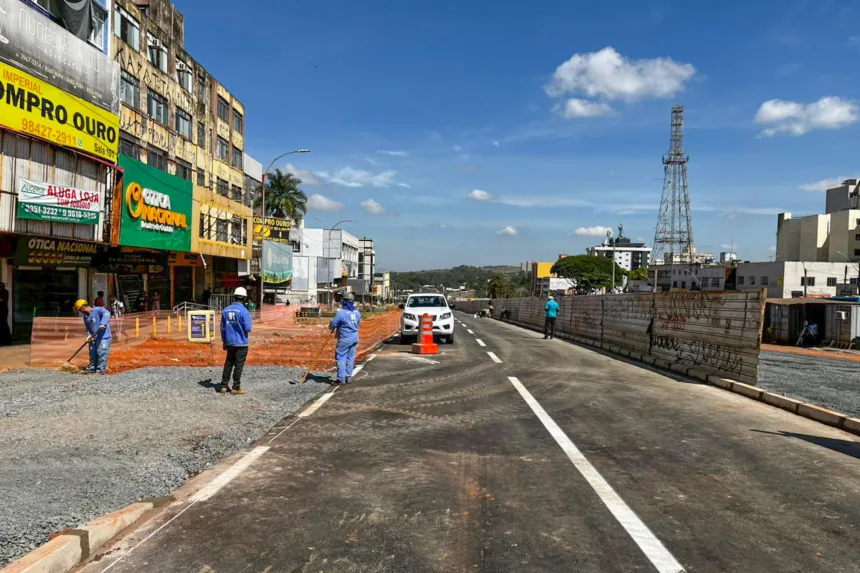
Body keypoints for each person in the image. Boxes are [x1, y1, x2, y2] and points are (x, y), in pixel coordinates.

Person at [220, 286, 253, 395]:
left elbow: (222, 328)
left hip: (229, 341)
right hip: (241, 343)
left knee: (228, 363)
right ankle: (235, 387)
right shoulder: (244, 311)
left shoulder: (226, 310)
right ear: (244, 298)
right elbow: (248, 328)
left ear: (234, 297)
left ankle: (224, 386)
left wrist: (224, 341)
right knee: (238, 365)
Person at [329, 292, 361, 385]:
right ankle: (348, 377)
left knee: (341, 357)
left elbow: (332, 325)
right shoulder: (357, 313)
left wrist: (331, 325)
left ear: (344, 301)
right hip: (354, 338)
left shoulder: (341, 313)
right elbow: (357, 324)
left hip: (344, 339)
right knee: (350, 358)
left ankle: (341, 379)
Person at [74, 299, 112, 375]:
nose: (80, 311)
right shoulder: (86, 316)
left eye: (80, 310)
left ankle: (100, 370)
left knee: (101, 353)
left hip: (103, 337)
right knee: (92, 353)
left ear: (82, 307)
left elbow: (107, 313)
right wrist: (88, 335)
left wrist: (103, 323)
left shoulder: (97, 309)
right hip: (93, 337)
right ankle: (91, 368)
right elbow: (88, 328)